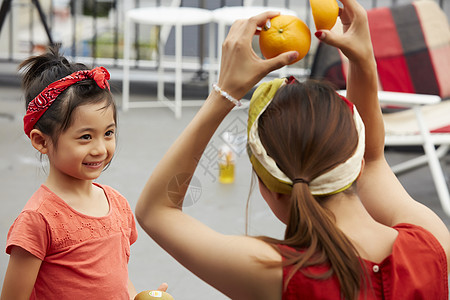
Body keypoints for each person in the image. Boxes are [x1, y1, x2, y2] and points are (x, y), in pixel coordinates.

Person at [135, 0, 450, 299]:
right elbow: (373, 157)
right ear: (356, 162)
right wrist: (364, 57)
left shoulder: (275, 273)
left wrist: (225, 92)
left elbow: (155, 211)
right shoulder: (432, 240)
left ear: (268, 186)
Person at [0, 48, 167, 299]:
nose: (100, 149)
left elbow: (119, 279)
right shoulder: (38, 220)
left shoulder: (118, 204)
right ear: (41, 141)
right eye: (85, 137)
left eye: (108, 133)